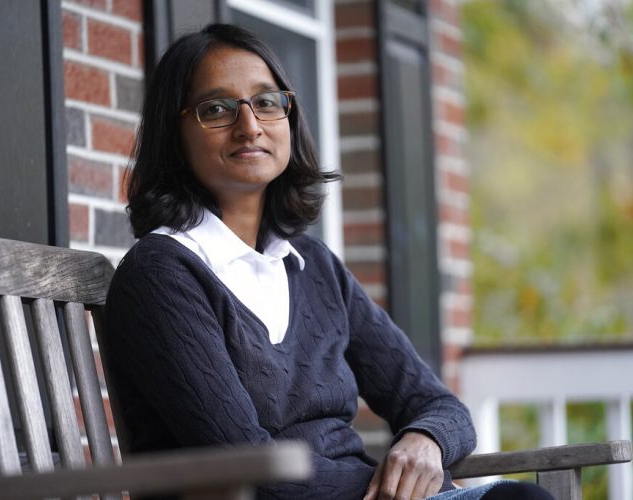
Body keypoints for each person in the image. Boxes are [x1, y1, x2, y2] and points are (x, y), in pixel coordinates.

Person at [105, 23, 553, 500]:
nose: (250, 125)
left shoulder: (313, 267)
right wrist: (412, 491)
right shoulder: (160, 275)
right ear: (174, 134)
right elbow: (249, 465)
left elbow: (437, 404)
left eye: (266, 102)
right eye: (216, 109)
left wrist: (427, 442)